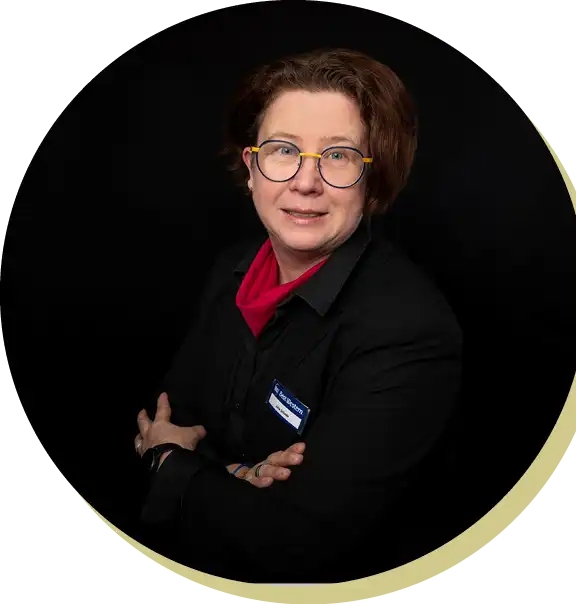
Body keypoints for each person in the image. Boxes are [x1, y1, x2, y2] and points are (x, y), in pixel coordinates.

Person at [133, 48, 463, 583]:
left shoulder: (409, 332)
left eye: (338, 156)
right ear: (251, 169)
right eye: (284, 150)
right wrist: (236, 474)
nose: (306, 182)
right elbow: (172, 411)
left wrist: (171, 463)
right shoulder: (233, 270)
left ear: (373, 181)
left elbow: (299, 541)